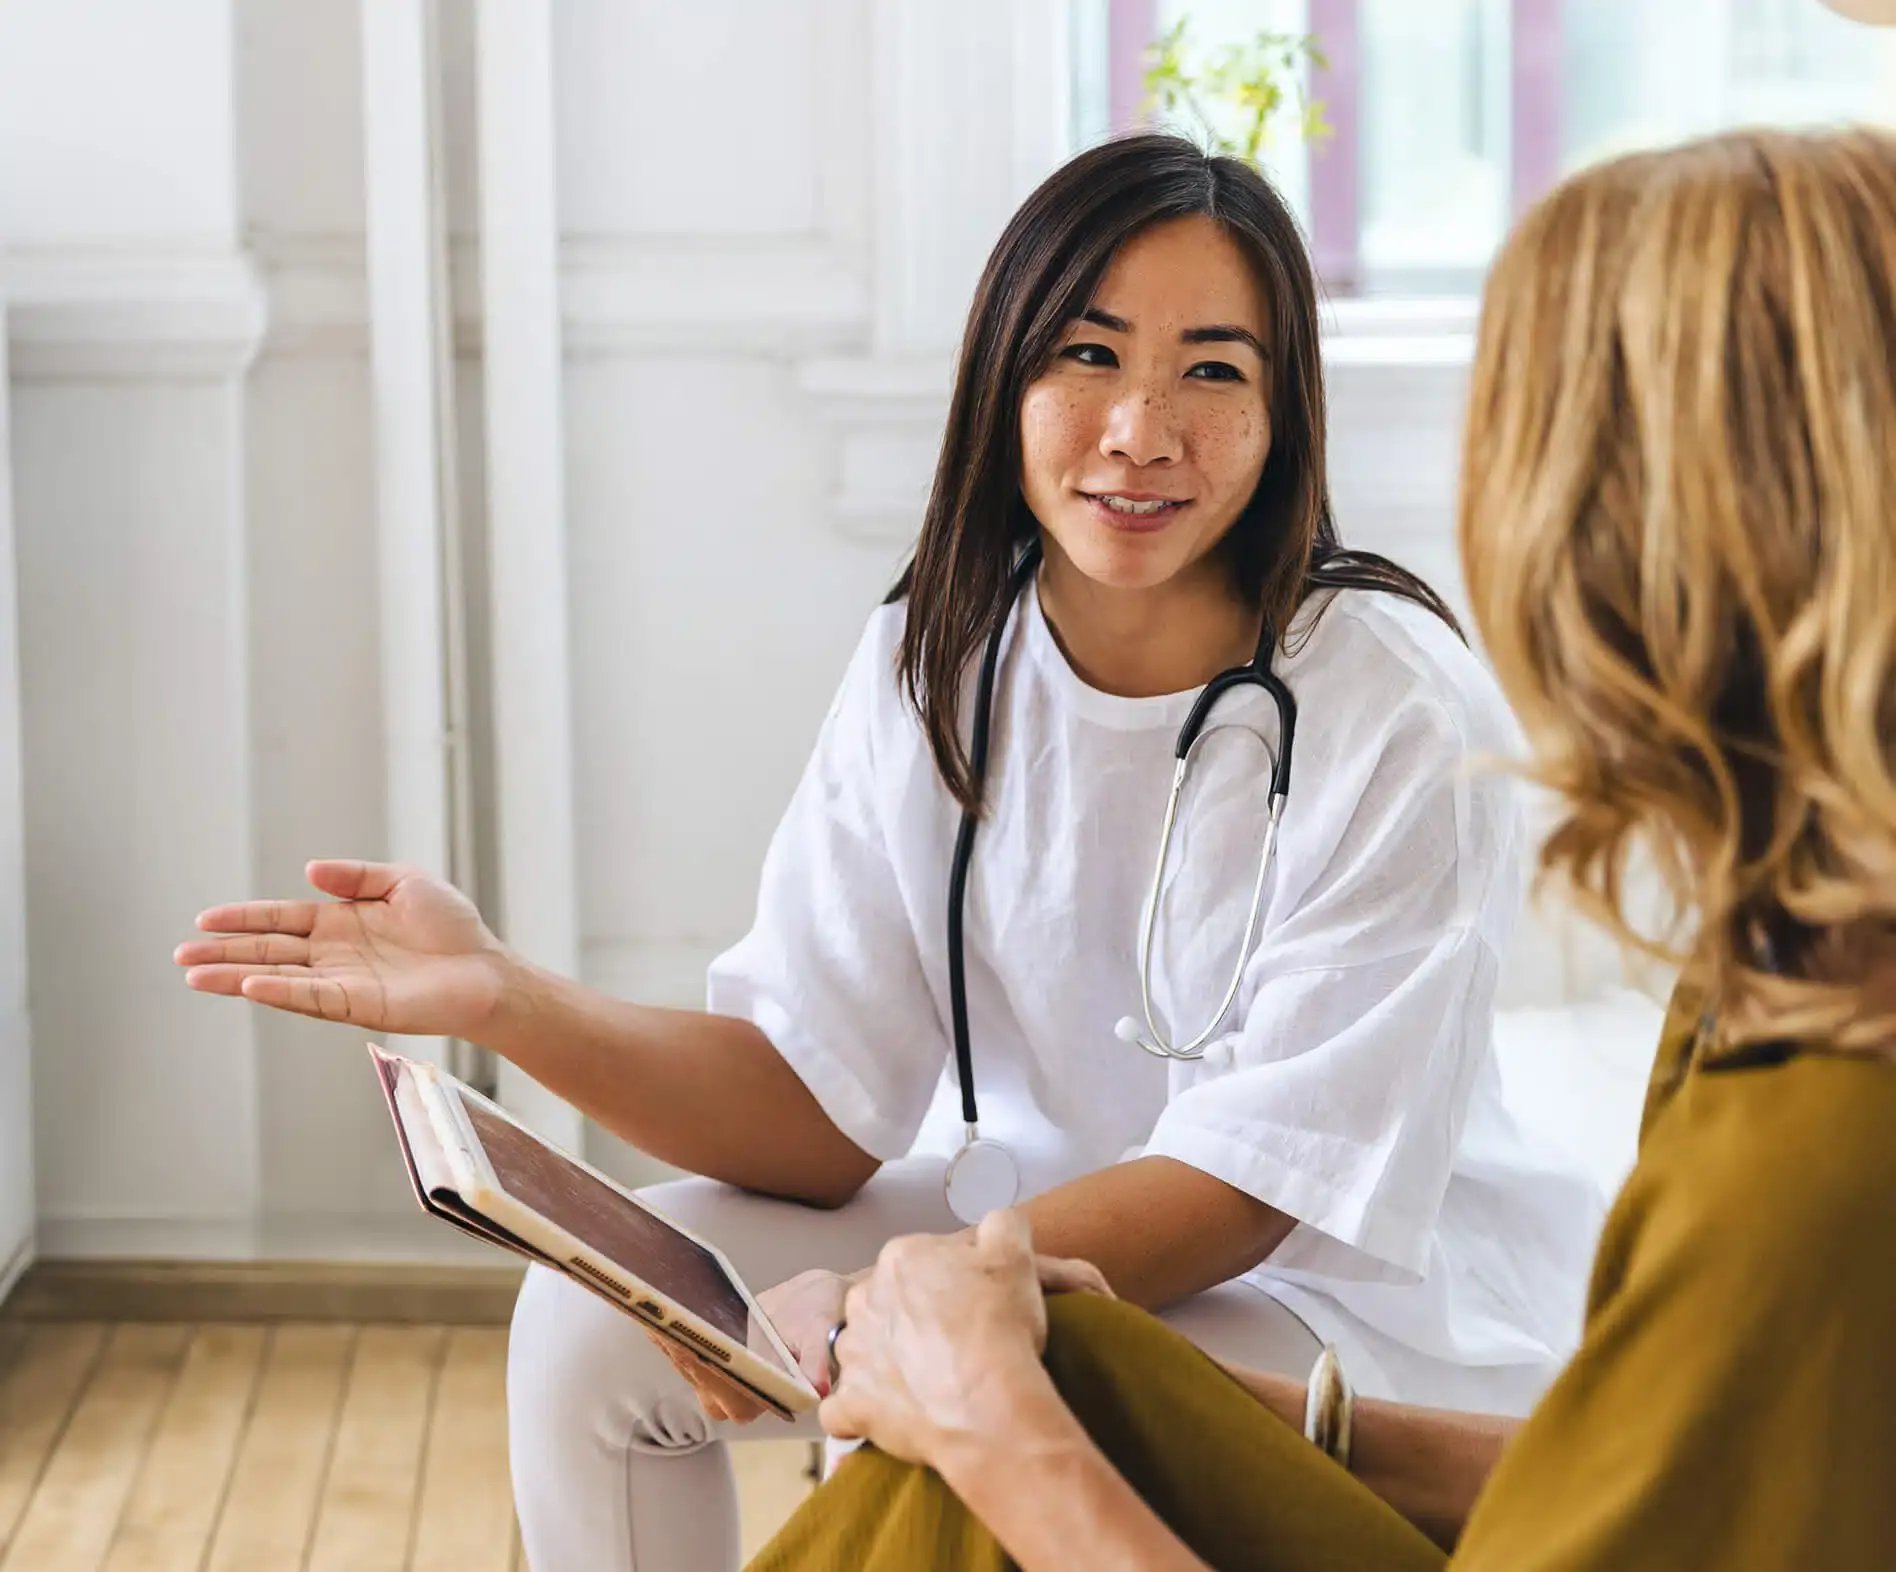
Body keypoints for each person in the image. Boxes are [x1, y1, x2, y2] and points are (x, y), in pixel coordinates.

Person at [175, 135, 1598, 1572]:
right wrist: (502, 995)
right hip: (1027, 1220)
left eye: (1214, 372)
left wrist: (905, 1301)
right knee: (584, 1329)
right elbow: (813, 1096)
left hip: (1339, 1300)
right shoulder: (941, 651)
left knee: (994, 1393)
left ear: (1285, 413)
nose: (1140, 430)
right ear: (1005, 377)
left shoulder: (1396, 708)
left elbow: (1251, 1187)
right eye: (1089, 356)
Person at [750, 124, 1896, 1571]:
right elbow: (1656, 1476)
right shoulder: (1786, 977)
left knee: (989, 1447)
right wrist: (1152, 1399)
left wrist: (1001, 1427)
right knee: (1082, 1366)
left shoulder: (1825, 1139)